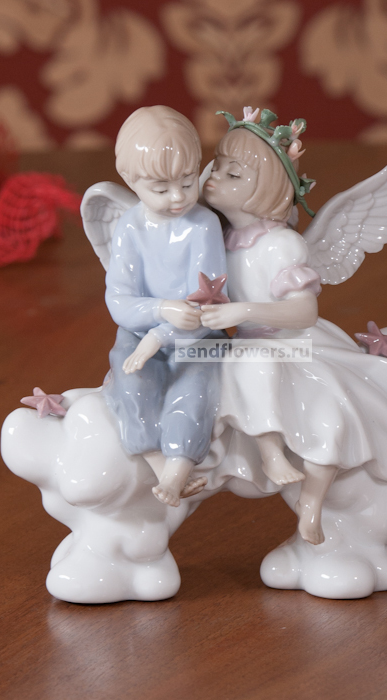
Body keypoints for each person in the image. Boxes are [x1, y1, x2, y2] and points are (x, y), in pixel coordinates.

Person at [200, 111, 387, 544]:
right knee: (226, 380)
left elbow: (303, 312)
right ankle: (221, 465)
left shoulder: (281, 245)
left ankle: (312, 504)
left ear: (264, 189)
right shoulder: (220, 240)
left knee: (328, 418)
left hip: (294, 343)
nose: (215, 177)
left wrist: (241, 312)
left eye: (233, 173)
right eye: (217, 166)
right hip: (250, 348)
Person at [103, 106, 227, 507]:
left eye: (188, 182)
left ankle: (177, 473)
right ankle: (162, 470)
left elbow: (208, 299)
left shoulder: (203, 225)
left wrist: (162, 335)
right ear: (130, 181)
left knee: (194, 387)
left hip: (199, 332)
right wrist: (160, 311)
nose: (178, 197)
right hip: (138, 330)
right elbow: (119, 299)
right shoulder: (130, 227)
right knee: (132, 382)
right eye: (160, 189)